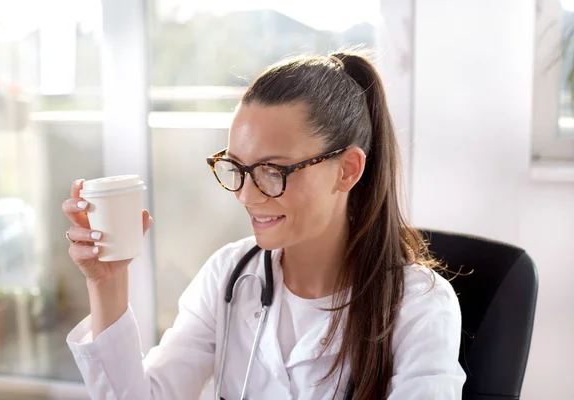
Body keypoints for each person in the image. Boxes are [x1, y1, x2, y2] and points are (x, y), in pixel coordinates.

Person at [63, 51, 466, 399]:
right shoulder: (229, 276)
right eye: (238, 168)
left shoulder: (419, 307)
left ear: (347, 170)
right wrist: (107, 282)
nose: (246, 195)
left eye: (272, 171)